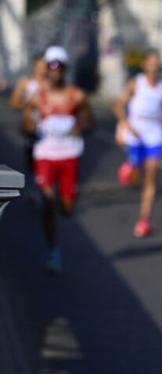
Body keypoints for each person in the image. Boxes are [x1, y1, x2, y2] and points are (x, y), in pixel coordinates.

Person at [24, 46, 93, 272]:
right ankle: (53, 252)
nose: (53, 70)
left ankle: (68, 199)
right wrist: (30, 125)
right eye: (50, 66)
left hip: (69, 155)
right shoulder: (38, 97)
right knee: (47, 201)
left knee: (67, 209)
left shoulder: (77, 95)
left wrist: (81, 126)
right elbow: (25, 125)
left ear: (64, 69)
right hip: (45, 155)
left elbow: (90, 123)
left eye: (58, 66)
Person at [113, 49, 162, 238]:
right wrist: (125, 123)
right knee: (136, 175)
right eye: (151, 62)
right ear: (145, 65)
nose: (154, 66)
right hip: (135, 135)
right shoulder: (136, 84)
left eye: (157, 62)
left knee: (151, 176)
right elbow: (118, 105)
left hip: (154, 136)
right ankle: (130, 166)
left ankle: (143, 220)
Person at [9, 54, 47, 188]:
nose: (43, 70)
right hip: (32, 128)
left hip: (49, 129)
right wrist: (28, 102)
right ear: (34, 67)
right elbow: (13, 103)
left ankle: (47, 186)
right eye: (40, 66)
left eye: (45, 66)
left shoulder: (52, 83)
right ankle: (33, 187)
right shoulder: (26, 82)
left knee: (49, 159)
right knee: (32, 160)